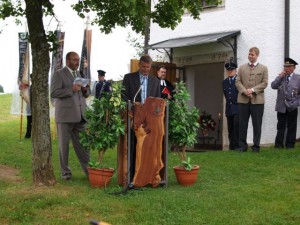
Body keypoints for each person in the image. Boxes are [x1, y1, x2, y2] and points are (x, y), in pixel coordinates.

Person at [121, 55, 161, 186]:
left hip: (150, 120)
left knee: (149, 148)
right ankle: (132, 177)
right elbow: (124, 96)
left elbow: (158, 100)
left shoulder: (155, 81)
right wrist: (133, 106)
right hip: (134, 117)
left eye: (148, 67)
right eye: (143, 67)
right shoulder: (129, 78)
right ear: (139, 65)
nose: (145, 70)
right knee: (134, 147)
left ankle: (147, 176)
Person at [50, 51, 91, 180]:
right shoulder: (59, 74)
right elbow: (54, 92)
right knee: (64, 146)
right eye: (74, 60)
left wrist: (85, 90)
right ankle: (65, 173)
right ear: (67, 61)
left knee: (84, 146)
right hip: (65, 116)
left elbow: (86, 94)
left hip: (80, 116)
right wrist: (71, 90)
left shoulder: (79, 74)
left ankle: (89, 171)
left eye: (78, 60)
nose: (77, 62)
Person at [235, 47, 268, 153]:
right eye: (249, 54)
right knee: (242, 124)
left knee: (257, 124)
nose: (250, 56)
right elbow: (237, 82)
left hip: (257, 101)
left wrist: (252, 90)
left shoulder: (263, 68)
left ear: (257, 55)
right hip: (243, 100)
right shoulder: (241, 68)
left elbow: (265, 83)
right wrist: (245, 91)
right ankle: (242, 146)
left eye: (252, 54)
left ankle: (256, 146)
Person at [271, 58, 300, 149]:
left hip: (292, 106)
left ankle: (290, 145)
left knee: (292, 126)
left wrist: (296, 103)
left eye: (288, 66)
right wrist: (280, 77)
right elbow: (273, 86)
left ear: (293, 68)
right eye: (285, 66)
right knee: (280, 126)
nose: (286, 68)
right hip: (281, 106)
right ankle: (279, 145)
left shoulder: (298, 78)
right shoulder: (281, 77)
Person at [223, 62, 239, 150]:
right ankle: (232, 146)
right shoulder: (224, 82)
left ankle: (237, 146)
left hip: (237, 108)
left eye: (231, 70)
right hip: (229, 108)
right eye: (228, 70)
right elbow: (226, 94)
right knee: (230, 128)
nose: (229, 72)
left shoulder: (238, 80)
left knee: (237, 128)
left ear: (235, 70)